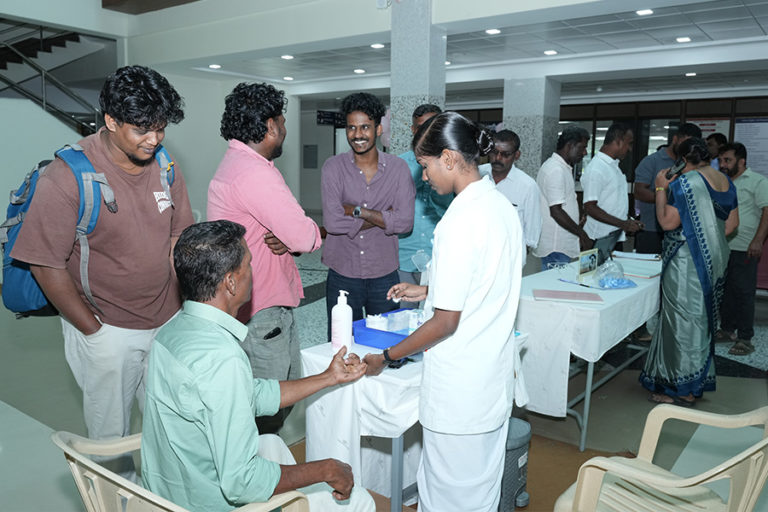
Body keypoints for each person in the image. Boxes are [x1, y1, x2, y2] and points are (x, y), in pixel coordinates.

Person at [10, 66, 193, 469]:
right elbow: (44, 263)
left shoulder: (165, 166)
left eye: (160, 128)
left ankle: (160, 492)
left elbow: (179, 234)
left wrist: (179, 309)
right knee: (111, 440)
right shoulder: (67, 177)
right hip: (108, 329)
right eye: (142, 130)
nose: (154, 139)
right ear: (110, 121)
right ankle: (114, 496)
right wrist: (93, 331)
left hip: (166, 324)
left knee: (171, 425)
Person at [141, 220, 374, 511]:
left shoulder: (171, 331)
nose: (253, 272)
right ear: (230, 282)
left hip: (166, 494)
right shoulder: (222, 358)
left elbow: (251, 395)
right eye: (248, 265)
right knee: (360, 501)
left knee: (272, 445)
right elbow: (242, 482)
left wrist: (328, 377)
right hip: (205, 504)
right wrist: (326, 469)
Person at [364, 112, 523, 512]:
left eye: (425, 165)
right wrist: (429, 291)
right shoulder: (500, 206)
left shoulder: (459, 221)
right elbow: (487, 284)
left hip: (460, 391)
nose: (424, 177)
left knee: (445, 497)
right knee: (480, 491)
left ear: (449, 159)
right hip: (490, 384)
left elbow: (446, 322)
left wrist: (388, 356)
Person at [207, 82, 322, 434]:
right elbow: (304, 236)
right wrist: (302, 232)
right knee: (268, 408)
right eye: (283, 122)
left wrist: (287, 236)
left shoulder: (236, 163)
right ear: (271, 126)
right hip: (261, 311)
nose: (285, 130)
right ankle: (260, 465)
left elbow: (287, 235)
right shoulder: (255, 173)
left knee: (267, 399)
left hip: (252, 305)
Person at [639, 138, 738, 407]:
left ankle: (682, 388)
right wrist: (706, 236)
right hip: (715, 261)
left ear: (683, 161)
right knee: (702, 322)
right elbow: (731, 226)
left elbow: (666, 222)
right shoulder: (726, 182)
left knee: (681, 322)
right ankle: (695, 380)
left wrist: (661, 188)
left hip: (686, 263)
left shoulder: (687, 183)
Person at [321, 92, 415, 336]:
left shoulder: (398, 169)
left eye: (365, 127)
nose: (357, 134)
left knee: (385, 342)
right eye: (351, 127)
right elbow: (333, 223)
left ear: (378, 129)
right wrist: (384, 216)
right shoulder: (333, 167)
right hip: (342, 272)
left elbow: (405, 223)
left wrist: (358, 211)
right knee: (341, 342)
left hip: (384, 273)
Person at [397, 104, 452, 307]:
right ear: (413, 130)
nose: (426, 133)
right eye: (421, 127)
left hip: (439, 256)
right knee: (402, 316)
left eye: (432, 126)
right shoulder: (398, 165)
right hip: (404, 256)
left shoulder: (451, 164)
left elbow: (454, 213)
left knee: (438, 315)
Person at [717, 142, 768, 355]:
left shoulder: (758, 181)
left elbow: (767, 211)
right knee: (726, 291)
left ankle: (745, 338)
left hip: (745, 246)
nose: (723, 164)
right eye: (720, 160)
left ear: (742, 161)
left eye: (727, 160)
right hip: (723, 246)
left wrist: (758, 240)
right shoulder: (722, 182)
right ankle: (727, 330)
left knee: (744, 292)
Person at [633, 122, 702, 255]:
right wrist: (665, 197)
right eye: (684, 144)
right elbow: (639, 192)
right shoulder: (652, 161)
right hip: (652, 230)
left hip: (682, 232)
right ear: (675, 139)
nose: (686, 149)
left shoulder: (692, 164)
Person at [533, 125, 592, 270]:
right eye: (582, 147)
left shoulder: (561, 167)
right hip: (556, 245)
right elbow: (556, 211)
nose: (585, 152)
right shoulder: (556, 170)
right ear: (570, 145)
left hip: (560, 243)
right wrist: (582, 234)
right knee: (555, 283)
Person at [483, 129, 542, 260]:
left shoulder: (528, 186)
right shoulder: (478, 175)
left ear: (517, 155)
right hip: (478, 255)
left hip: (509, 258)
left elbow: (532, 233)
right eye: (494, 152)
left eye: (505, 154)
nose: (498, 158)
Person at [582, 122, 643, 250]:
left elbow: (611, 203)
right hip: (599, 239)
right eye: (629, 143)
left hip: (614, 236)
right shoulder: (596, 168)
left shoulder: (613, 166)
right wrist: (623, 224)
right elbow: (590, 207)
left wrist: (627, 220)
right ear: (618, 141)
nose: (630, 149)